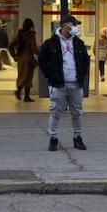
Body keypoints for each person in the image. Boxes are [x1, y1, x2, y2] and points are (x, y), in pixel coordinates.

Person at [37, 13, 89, 151]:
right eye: (74, 25)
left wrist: (81, 75)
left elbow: (85, 60)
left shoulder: (78, 43)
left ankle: (77, 137)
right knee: (55, 112)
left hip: (75, 84)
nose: (76, 28)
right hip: (58, 85)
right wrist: (51, 75)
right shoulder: (51, 43)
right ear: (66, 26)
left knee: (77, 112)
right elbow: (42, 61)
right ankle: (53, 138)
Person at [10, 18, 39, 102]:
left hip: (20, 58)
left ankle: (19, 92)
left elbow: (11, 45)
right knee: (28, 77)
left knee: (21, 75)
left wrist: (14, 56)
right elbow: (34, 48)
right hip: (28, 58)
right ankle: (25, 95)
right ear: (31, 26)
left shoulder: (19, 34)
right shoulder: (31, 35)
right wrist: (39, 54)